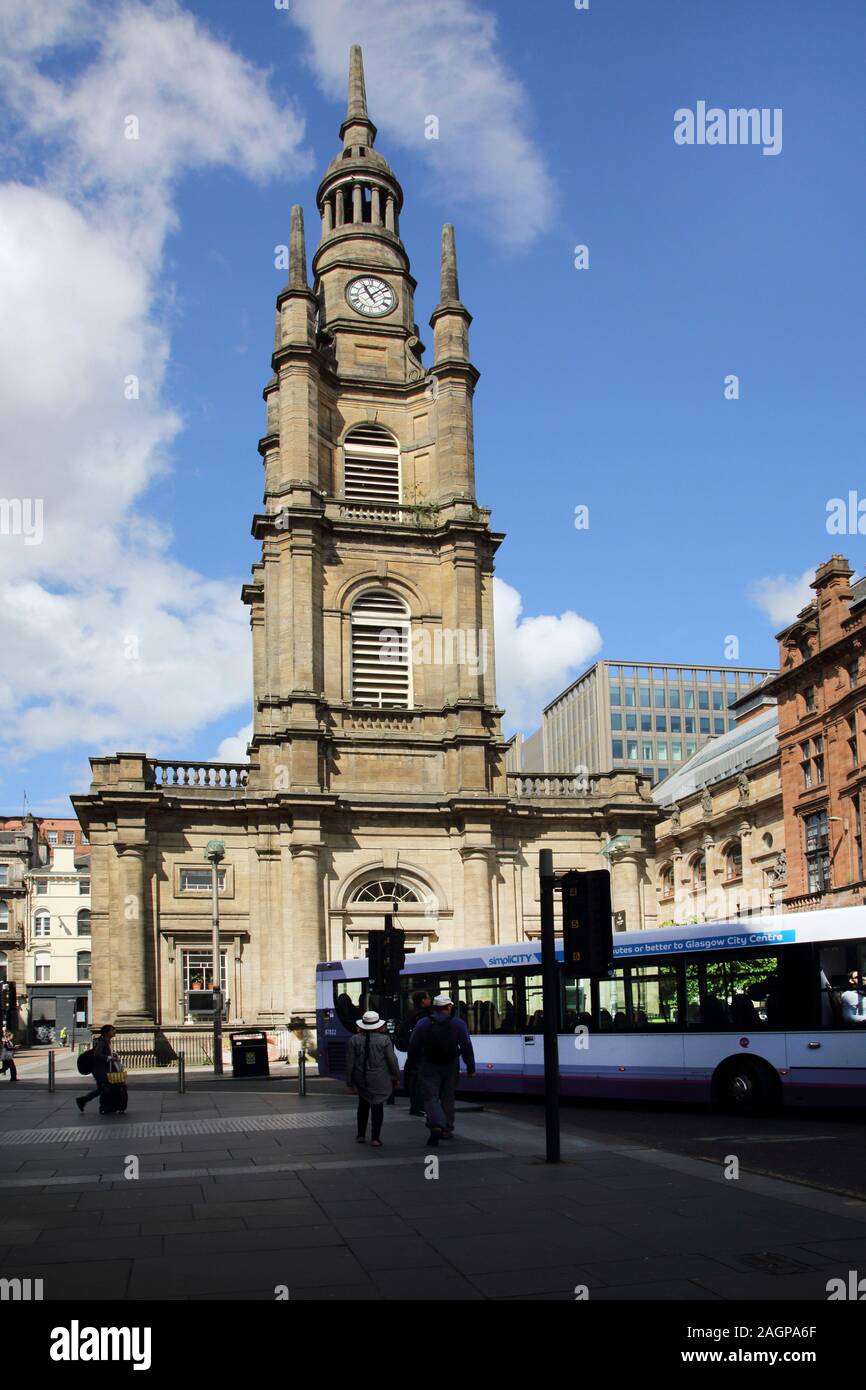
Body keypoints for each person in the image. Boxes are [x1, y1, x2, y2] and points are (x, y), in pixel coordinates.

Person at [407, 994, 475, 1146]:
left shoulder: (423, 1023)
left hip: (428, 1064)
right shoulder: (458, 1024)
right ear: (449, 1007)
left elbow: (413, 1045)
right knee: (448, 1097)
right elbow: (466, 1046)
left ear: (434, 1007)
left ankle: (437, 1124)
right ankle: (447, 1129)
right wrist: (470, 1067)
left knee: (431, 1097)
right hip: (451, 1064)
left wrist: (412, 1064)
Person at [345, 1011, 399, 1147]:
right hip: (379, 1077)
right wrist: (396, 1076)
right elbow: (391, 1060)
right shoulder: (385, 1040)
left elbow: (350, 1062)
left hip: (361, 1077)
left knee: (362, 1105)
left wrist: (349, 1081)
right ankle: (375, 1138)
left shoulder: (354, 1039)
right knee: (377, 1106)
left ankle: (361, 1135)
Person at [76, 1025, 121, 1112]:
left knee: (101, 1089)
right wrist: (109, 1058)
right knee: (105, 1087)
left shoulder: (107, 1041)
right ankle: (104, 1107)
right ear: (107, 1032)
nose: (114, 1031)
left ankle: (82, 1100)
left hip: (102, 1069)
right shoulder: (102, 1042)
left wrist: (112, 1055)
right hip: (99, 1069)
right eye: (112, 1030)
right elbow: (96, 1054)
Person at [401, 989, 432, 1116]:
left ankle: (415, 1106)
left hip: (413, 1051)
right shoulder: (424, 1016)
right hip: (422, 1052)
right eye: (428, 998)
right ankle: (419, 1107)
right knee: (421, 1081)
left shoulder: (410, 1014)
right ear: (423, 1001)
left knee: (415, 1080)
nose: (430, 1000)